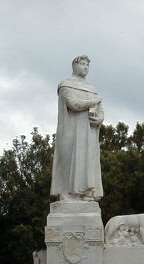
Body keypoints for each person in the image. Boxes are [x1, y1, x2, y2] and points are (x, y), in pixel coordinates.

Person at [51, 55, 104, 201]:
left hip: (88, 132)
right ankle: (66, 192)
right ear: (75, 65)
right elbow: (74, 104)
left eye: (87, 65)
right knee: (68, 161)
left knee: (87, 161)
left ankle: (85, 193)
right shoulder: (66, 85)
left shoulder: (92, 89)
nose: (86, 67)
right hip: (71, 130)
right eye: (82, 64)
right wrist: (94, 101)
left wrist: (100, 118)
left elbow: (100, 108)